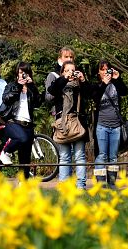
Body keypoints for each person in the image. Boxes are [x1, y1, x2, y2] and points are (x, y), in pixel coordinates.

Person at [48, 60, 92, 189]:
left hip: (78, 123)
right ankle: (64, 186)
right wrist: (64, 78)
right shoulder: (59, 84)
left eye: (73, 70)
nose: (70, 73)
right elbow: (52, 90)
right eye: (67, 70)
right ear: (62, 72)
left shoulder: (79, 86)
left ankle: (80, 186)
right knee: (64, 156)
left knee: (80, 156)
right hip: (62, 124)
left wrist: (83, 80)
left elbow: (90, 94)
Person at [0, 62, 41, 178]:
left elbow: (38, 102)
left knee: (25, 158)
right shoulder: (11, 85)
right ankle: (6, 151)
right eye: (21, 72)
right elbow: (6, 99)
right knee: (22, 138)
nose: (23, 75)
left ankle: (23, 182)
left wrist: (32, 86)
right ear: (17, 73)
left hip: (28, 124)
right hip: (13, 122)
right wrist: (18, 86)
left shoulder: (31, 88)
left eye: (26, 73)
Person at [91, 60, 128, 189]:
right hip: (102, 125)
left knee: (113, 156)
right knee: (102, 155)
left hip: (116, 126)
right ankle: (101, 185)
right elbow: (95, 98)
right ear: (98, 72)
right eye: (102, 69)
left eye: (107, 69)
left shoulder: (115, 84)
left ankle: (112, 183)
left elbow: (125, 91)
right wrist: (104, 84)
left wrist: (118, 79)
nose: (105, 72)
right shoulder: (97, 85)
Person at [45, 47, 75, 114]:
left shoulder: (76, 74)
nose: (69, 59)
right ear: (60, 58)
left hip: (74, 114)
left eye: (71, 57)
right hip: (59, 112)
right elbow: (48, 97)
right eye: (66, 57)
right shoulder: (53, 75)